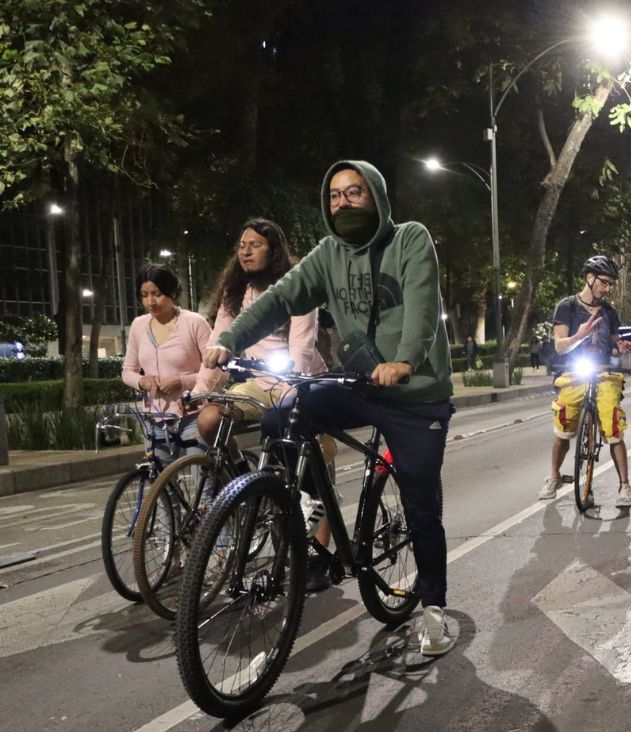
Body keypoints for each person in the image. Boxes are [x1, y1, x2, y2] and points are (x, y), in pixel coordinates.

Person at [202, 160, 457, 657]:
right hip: (361, 382)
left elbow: (423, 305)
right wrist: (229, 339)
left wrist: (405, 359)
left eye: (354, 192)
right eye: (335, 196)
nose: (343, 203)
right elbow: (279, 299)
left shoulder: (409, 238)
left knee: (420, 503)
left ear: (376, 195)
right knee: (281, 415)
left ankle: (433, 609)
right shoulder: (328, 254)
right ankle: (310, 504)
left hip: (415, 393)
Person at [193, 217, 332, 589]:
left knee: (309, 474)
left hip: (301, 383)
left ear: (274, 250)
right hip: (257, 384)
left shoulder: (296, 285)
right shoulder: (234, 291)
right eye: (242, 245)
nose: (246, 251)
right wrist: (203, 389)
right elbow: (220, 340)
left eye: (255, 244)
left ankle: (319, 556)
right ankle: (244, 480)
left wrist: (293, 386)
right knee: (209, 420)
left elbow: (302, 346)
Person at [540, 255, 631, 506]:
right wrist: (580, 336)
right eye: (604, 282)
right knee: (563, 427)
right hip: (572, 372)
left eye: (611, 284)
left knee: (614, 426)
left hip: (603, 373)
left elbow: (613, 346)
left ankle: (624, 485)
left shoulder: (610, 312)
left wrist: (621, 348)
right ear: (589, 278)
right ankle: (553, 476)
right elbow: (560, 346)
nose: (607, 288)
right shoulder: (567, 307)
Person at [122, 263, 210, 462]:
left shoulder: (194, 322)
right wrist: (142, 381)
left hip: (193, 413)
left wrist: (182, 381)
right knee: (160, 478)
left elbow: (217, 370)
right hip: (155, 417)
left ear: (172, 292)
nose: (150, 302)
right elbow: (128, 370)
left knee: (200, 474)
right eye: (144, 295)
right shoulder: (138, 326)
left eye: (157, 294)